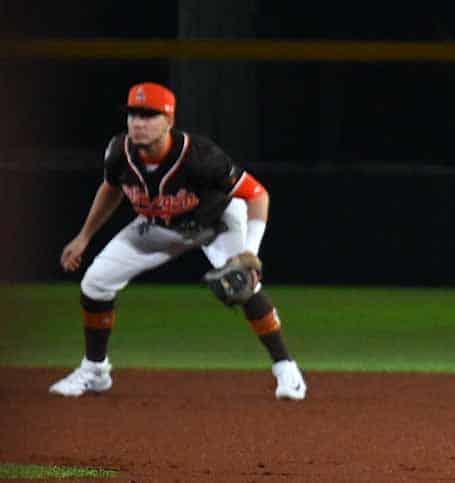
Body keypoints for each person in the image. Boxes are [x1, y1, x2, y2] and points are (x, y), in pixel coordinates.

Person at [50, 82, 307, 401]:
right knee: (95, 284)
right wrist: (84, 236)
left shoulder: (200, 156)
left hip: (216, 221)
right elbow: (110, 189)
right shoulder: (119, 151)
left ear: (169, 120)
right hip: (159, 226)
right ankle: (95, 370)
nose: (138, 123)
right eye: (133, 115)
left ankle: (286, 368)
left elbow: (256, 194)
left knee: (244, 283)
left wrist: (248, 252)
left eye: (149, 115)